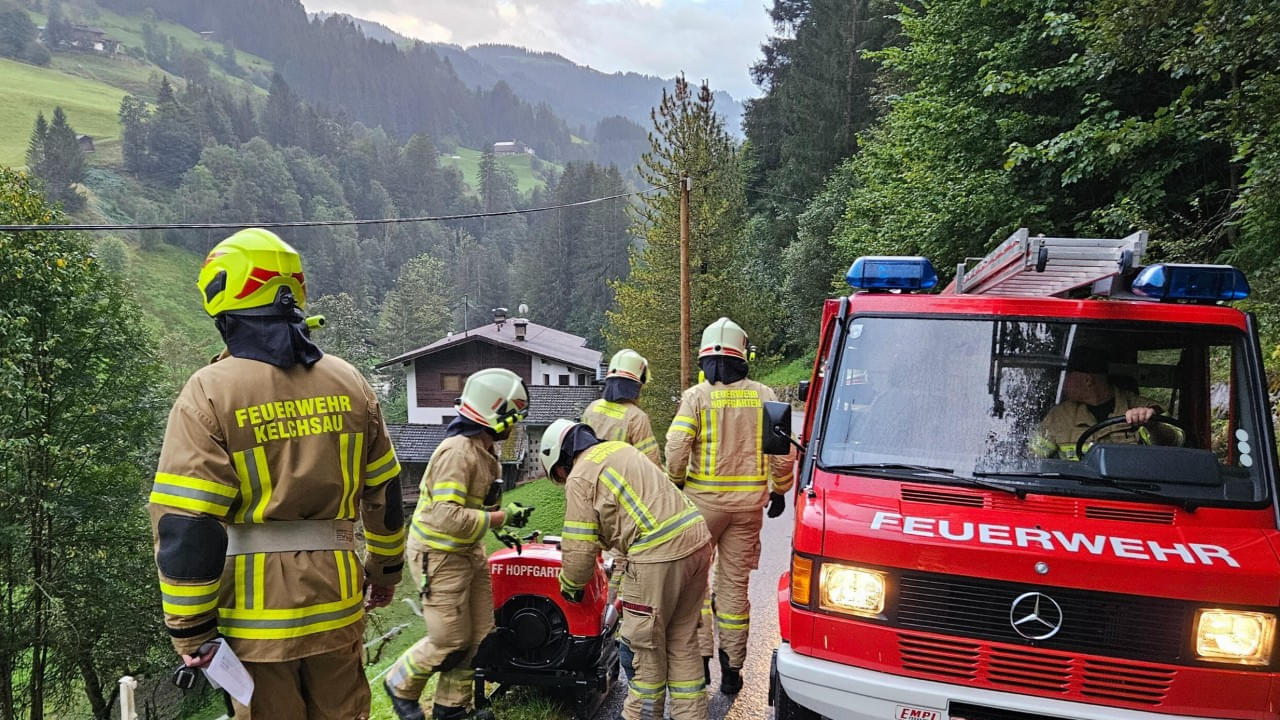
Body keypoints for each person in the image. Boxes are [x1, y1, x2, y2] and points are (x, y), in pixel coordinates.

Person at [148, 228, 405, 718]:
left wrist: (192, 630)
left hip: (255, 624)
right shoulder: (349, 381)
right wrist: (385, 571)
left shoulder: (208, 392)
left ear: (221, 298)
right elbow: (385, 495)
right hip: (337, 607)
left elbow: (187, 523)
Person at [385, 368, 533, 720]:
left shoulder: (484, 451)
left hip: (468, 552)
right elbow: (448, 518)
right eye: (513, 416)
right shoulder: (456, 452)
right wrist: (501, 519)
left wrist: (500, 527)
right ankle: (399, 683)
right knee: (449, 640)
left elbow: (479, 507)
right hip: (438, 555)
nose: (514, 425)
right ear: (495, 414)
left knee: (480, 638)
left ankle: (452, 710)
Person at [541, 419, 713, 720]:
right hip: (697, 542)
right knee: (682, 641)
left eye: (557, 474)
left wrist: (570, 586)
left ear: (559, 461)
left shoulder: (580, 476)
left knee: (646, 653)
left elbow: (579, 550)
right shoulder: (620, 450)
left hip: (658, 557)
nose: (561, 478)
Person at [664, 317, 793, 695]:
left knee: (697, 587)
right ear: (743, 355)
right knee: (734, 589)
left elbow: (675, 446)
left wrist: (676, 483)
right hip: (748, 509)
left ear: (705, 358)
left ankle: (700, 663)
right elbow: (783, 454)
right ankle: (733, 670)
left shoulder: (696, 397)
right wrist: (781, 490)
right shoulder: (765, 394)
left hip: (701, 507)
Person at [1033, 346, 1185, 460]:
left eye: (1066, 376)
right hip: (1074, 495)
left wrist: (1153, 425)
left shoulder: (1146, 409)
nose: (1062, 383)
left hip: (1133, 495)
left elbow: (1177, 443)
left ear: (1087, 380)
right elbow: (1032, 458)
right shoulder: (1059, 416)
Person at [582, 349, 662, 466]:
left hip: (590, 477)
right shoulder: (636, 418)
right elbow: (651, 463)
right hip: (622, 481)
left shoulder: (592, 408)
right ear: (638, 384)